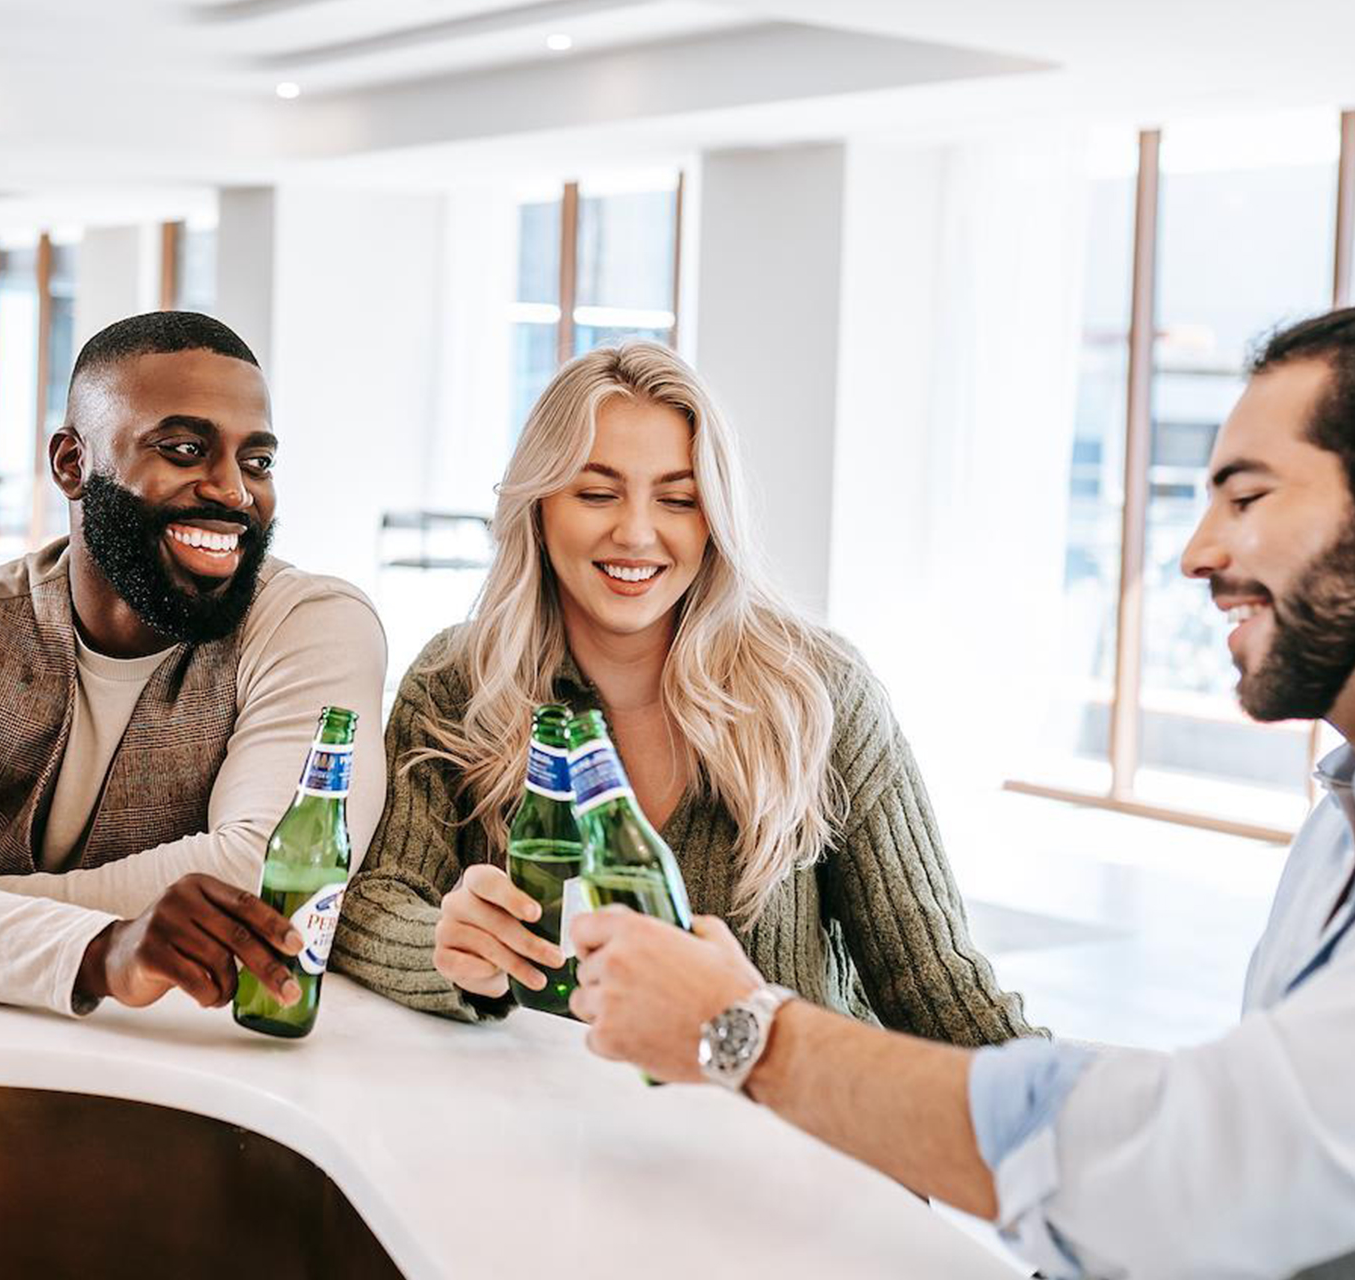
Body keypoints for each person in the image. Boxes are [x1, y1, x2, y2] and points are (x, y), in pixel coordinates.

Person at [571, 309, 1355, 1279]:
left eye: (1247, 497)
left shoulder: (819, 687)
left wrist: (739, 1027)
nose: (1195, 552)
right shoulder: (1334, 833)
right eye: (595, 489)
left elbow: (1191, 1165)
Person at [331, 341, 1033, 1050]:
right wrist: (444, 946)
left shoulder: (817, 692)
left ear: (715, 520)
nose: (636, 532)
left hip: (775, 1141)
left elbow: (935, 982)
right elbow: (371, 901)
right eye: (597, 493)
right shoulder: (458, 681)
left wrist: (1069, 1121)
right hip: (540, 1129)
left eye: (678, 499)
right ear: (539, 507)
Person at [0, 311, 387, 1017]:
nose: (233, 491)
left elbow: (268, 877)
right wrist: (101, 951)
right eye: (186, 449)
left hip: (197, 1058)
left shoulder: (310, 624)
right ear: (73, 464)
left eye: (256, 462)